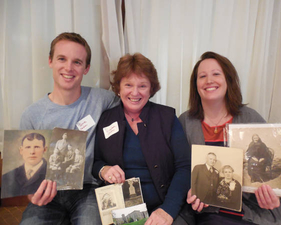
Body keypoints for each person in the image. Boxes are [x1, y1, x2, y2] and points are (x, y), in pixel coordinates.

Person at [19, 32, 119, 224]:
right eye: (62, 59)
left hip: (88, 189)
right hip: (48, 190)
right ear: (50, 61)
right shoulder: (31, 115)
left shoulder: (102, 100)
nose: (68, 68)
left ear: (86, 68)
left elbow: (132, 105)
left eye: (77, 62)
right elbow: (27, 174)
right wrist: (32, 194)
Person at [179, 51, 281, 225]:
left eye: (216, 74)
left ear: (228, 80)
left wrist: (272, 196)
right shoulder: (184, 121)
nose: (209, 81)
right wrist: (188, 191)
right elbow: (179, 169)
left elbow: (272, 172)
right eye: (202, 76)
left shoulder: (252, 119)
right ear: (195, 84)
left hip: (250, 210)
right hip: (204, 209)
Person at [92, 53, 191, 225]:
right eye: (128, 85)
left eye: (142, 86)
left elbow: (184, 167)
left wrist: (167, 210)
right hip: (122, 211)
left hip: (165, 204)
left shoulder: (166, 118)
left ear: (151, 88)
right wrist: (103, 169)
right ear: (118, 88)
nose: (135, 92)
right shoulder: (106, 119)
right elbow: (95, 162)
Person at [2, 132, 47, 198]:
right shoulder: (6, 177)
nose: (32, 152)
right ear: (21, 150)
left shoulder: (53, 174)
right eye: (28, 147)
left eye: (37, 147)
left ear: (44, 150)